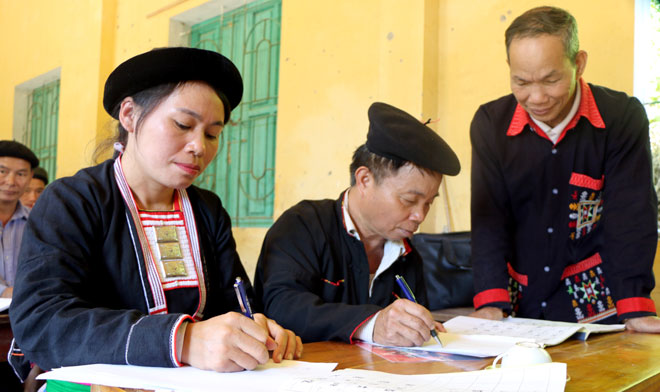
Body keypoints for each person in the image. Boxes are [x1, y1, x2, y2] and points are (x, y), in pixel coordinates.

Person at [9, 47, 303, 383]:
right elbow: (42, 321)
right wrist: (184, 340)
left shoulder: (207, 210)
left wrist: (257, 329)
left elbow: (232, 304)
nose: (199, 147)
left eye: (212, 134)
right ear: (130, 115)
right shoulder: (73, 201)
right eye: (183, 124)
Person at [470, 6, 660, 332]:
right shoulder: (491, 123)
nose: (537, 96)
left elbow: (630, 215)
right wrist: (490, 301)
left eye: (551, 79)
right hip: (517, 304)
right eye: (521, 82)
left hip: (597, 305)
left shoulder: (619, 117)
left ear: (579, 63)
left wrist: (635, 305)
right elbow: (489, 219)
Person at [254, 102, 461, 346]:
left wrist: (417, 328)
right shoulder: (303, 225)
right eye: (410, 200)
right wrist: (372, 325)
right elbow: (281, 307)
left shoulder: (406, 256)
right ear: (364, 179)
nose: (420, 215)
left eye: (428, 203)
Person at [0, 140, 38, 299]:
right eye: (2, 171)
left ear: (31, 177)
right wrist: (4, 292)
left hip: (21, 317)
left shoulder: (37, 222)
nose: (10, 182)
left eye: (21, 174)